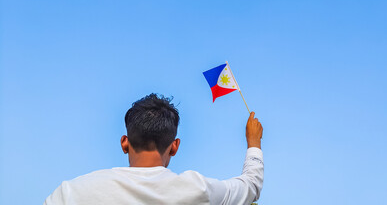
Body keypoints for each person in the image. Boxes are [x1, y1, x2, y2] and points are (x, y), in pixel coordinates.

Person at [44, 93, 264, 205]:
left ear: (124, 142)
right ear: (174, 147)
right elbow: (251, 186)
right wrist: (253, 143)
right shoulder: (197, 189)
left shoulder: (70, 193)